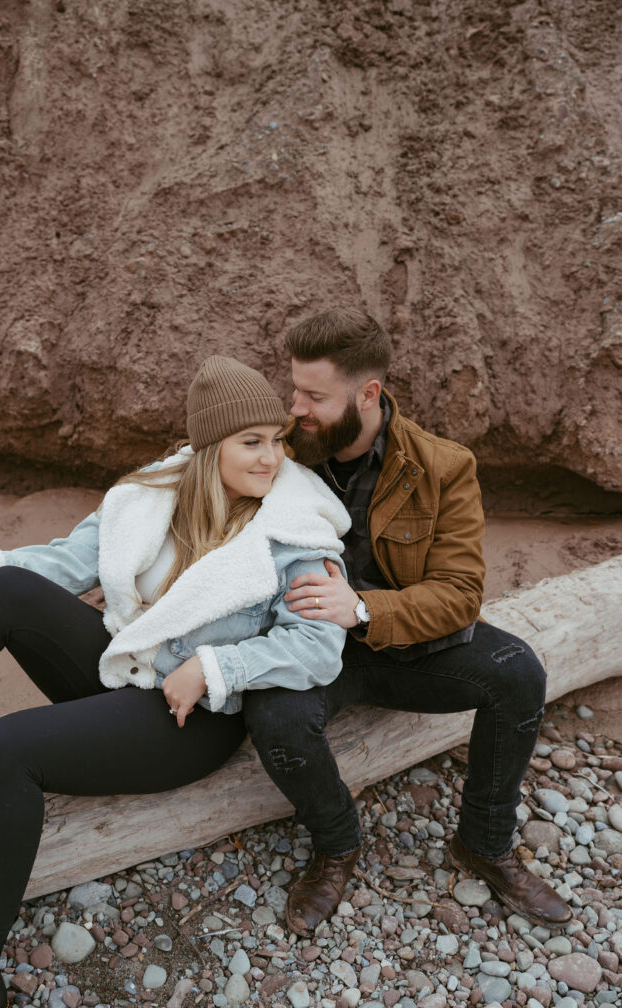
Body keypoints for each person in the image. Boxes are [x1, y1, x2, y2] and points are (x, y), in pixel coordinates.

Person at [0, 355, 351, 1008]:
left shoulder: (294, 532)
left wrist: (217, 667)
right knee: (8, 587)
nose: (271, 458)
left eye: (275, 440)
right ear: (209, 446)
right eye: (251, 443)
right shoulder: (151, 494)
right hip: (123, 667)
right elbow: (69, 560)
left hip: (188, 720)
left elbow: (316, 646)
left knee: (9, 745)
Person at [243, 308, 572, 936]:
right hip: (308, 644)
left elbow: (459, 593)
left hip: (405, 643)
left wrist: (363, 607)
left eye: (313, 395)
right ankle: (337, 845)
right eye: (294, 390)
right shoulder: (278, 447)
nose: (297, 407)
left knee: (519, 672)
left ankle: (485, 842)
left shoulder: (443, 466)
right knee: (275, 718)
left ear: (367, 394)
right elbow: (187, 481)